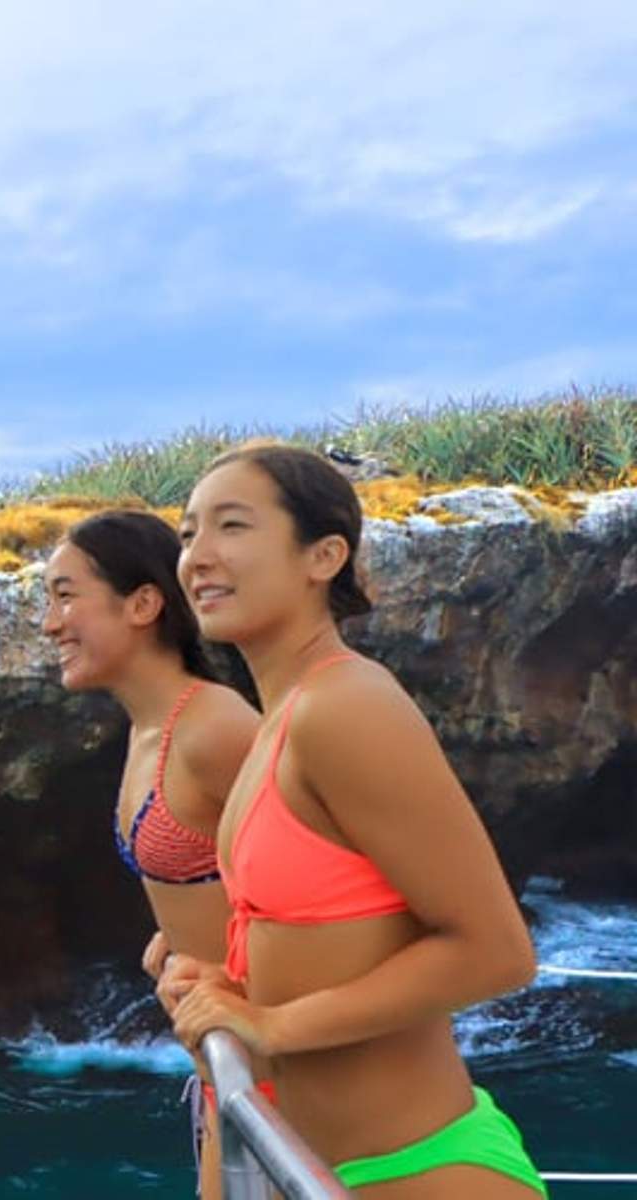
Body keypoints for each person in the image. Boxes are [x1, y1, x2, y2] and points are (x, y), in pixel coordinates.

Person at [164, 442, 545, 1196]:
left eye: (231, 527)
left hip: (420, 1170)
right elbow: (331, 932)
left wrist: (275, 1029)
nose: (198, 557)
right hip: (306, 1162)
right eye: (186, 533)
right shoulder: (283, 718)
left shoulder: (348, 707)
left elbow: (497, 952)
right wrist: (235, 985)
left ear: (324, 556)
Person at [41, 509, 260, 1196]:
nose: (50, 624)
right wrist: (185, 928)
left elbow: (339, 886)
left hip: (284, 1077)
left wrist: (244, 985)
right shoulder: (149, 733)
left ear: (142, 603)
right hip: (225, 1072)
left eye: (65, 594)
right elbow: (235, 871)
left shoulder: (215, 727)